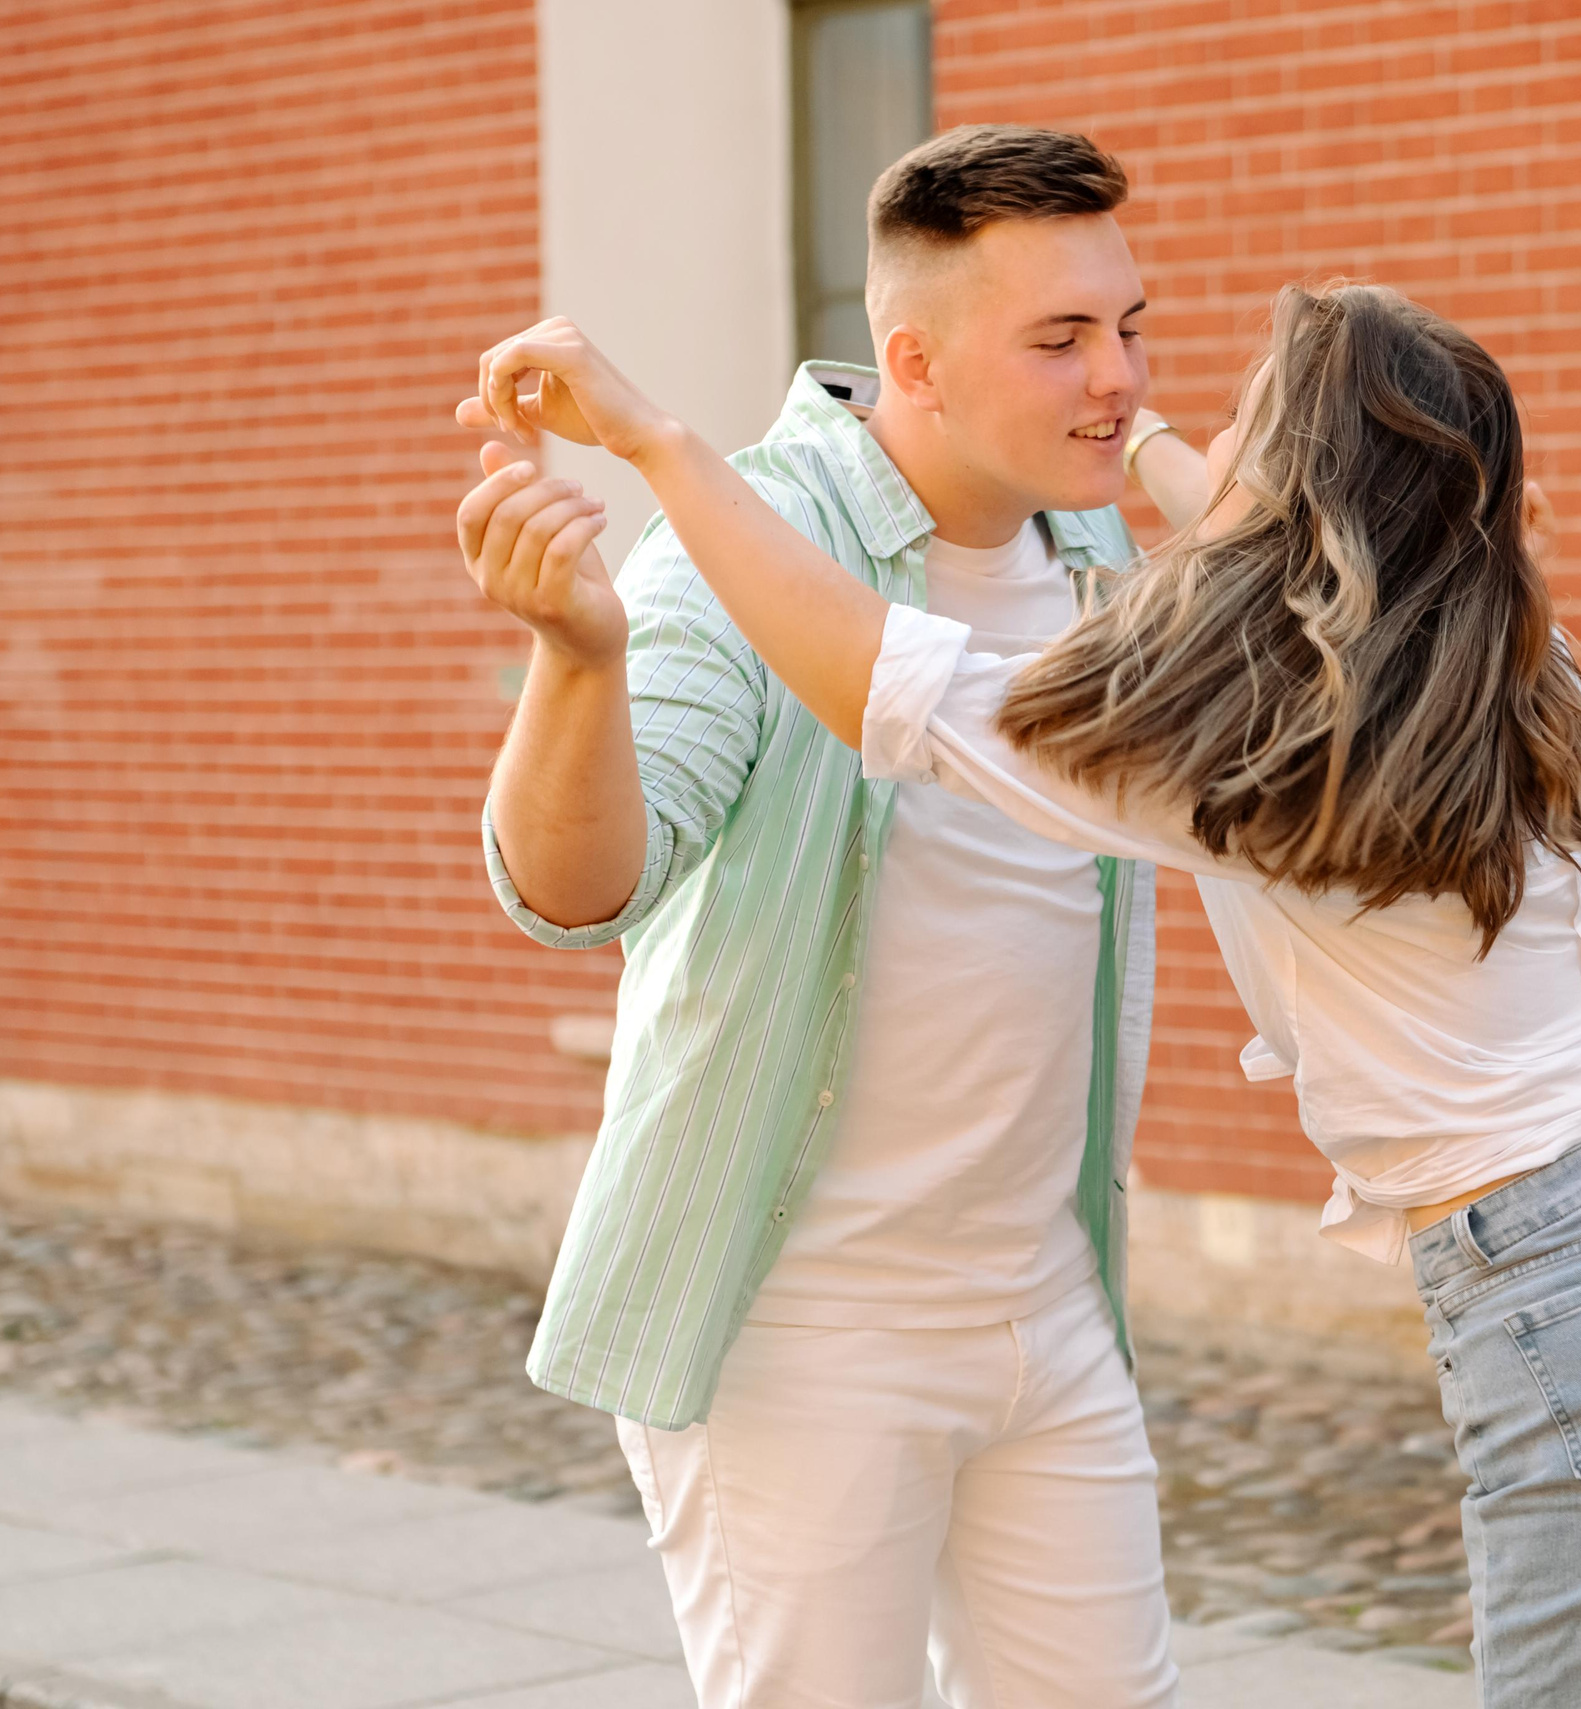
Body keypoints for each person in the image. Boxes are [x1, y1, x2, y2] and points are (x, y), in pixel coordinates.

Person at [460, 283, 1581, 1707]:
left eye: (1235, 420)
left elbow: (872, 673)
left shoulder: (1249, 737)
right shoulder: (1487, 640)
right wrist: (1117, 417)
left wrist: (663, 445)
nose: (1169, 423)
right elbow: (1250, 498)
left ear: (1307, 508)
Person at [454, 126, 1180, 1709]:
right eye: (1059, 339)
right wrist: (575, 664)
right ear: (909, 359)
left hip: (1050, 1300)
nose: (1116, 376)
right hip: (807, 1327)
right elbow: (579, 890)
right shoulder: (741, 546)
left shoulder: (1105, 553)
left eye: (1130, 326)